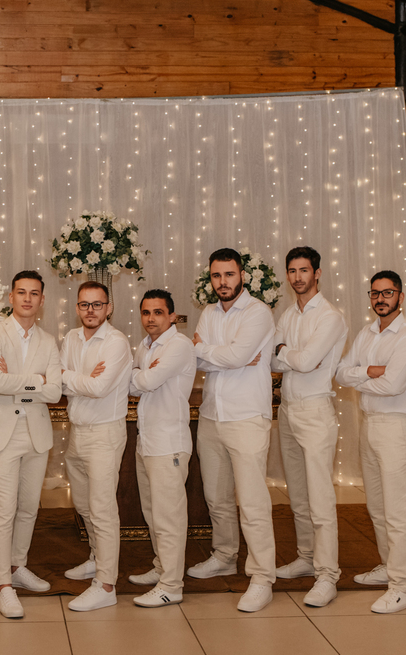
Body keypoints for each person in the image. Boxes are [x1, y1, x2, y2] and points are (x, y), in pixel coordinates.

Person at [0, 270, 62, 619]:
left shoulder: (48, 340)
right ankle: (2, 584)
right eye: (21, 292)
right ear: (11, 297)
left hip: (36, 431)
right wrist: (37, 380)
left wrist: (23, 382)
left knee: (29, 507)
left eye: (34, 293)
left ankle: (18, 566)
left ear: (42, 300)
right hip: (2, 431)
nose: (27, 299)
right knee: (3, 509)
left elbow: (55, 391)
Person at [187, 248, 277, 613]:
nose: (222, 282)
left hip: (247, 416)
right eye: (216, 275)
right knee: (216, 496)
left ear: (242, 276)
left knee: (252, 501)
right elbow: (201, 358)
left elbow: (231, 356)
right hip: (211, 415)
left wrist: (211, 352)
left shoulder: (258, 312)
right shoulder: (208, 313)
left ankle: (262, 576)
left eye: (229, 274)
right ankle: (224, 556)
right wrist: (224, 354)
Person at [337, 270, 406, 614]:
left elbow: (393, 385)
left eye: (387, 293)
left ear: (400, 297)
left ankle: (402, 587)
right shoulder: (366, 332)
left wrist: (362, 377)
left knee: (397, 508)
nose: (380, 299)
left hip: (396, 426)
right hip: (369, 423)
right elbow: (341, 372)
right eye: (375, 293)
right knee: (376, 505)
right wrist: (372, 371)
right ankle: (389, 566)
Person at [270, 245, 348, 608]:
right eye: (292, 271)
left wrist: (286, 352)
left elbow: (305, 361)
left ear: (317, 273)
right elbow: (274, 360)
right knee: (298, 493)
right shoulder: (288, 314)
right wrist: (290, 355)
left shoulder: (330, 317)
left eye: (304, 270)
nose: (297, 277)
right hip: (287, 408)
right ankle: (306, 556)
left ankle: (328, 574)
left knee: (320, 497)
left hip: (316, 410)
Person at [60, 281, 132, 612]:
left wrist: (71, 376)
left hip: (105, 433)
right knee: (84, 505)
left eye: (97, 304)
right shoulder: (71, 338)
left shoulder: (116, 342)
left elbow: (99, 387)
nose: (90, 310)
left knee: (102, 509)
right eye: (84, 304)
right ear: (77, 307)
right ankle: (96, 557)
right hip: (77, 431)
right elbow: (60, 382)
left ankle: (106, 584)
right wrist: (81, 378)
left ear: (109, 307)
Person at [127, 289, 195, 607]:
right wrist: (140, 374)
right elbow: (135, 385)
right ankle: (161, 568)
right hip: (147, 441)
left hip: (169, 444)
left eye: (158, 312)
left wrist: (138, 374)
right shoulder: (145, 346)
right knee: (152, 513)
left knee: (169, 517)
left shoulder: (179, 345)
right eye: (146, 312)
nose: (151, 318)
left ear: (172, 316)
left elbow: (146, 382)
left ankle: (171, 585)